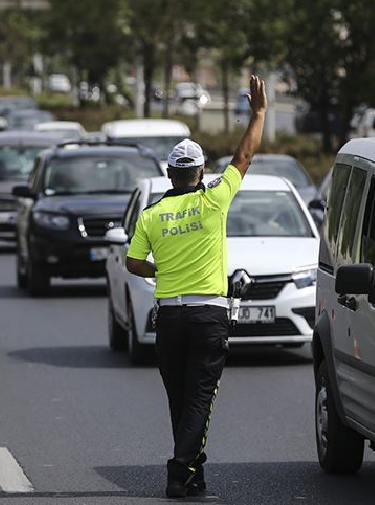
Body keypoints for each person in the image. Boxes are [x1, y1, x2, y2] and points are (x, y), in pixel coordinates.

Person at [126, 75, 267, 498]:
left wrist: (160, 270)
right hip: (209, 317)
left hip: (168, 317)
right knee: (199, 400)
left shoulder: (152, 214)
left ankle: (193, 473)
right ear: (201, 172)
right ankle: (178, 470)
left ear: (169, 174)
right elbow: (244, 156)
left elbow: (132, 262)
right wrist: (259, 112)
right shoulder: (214, 200)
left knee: (180, 399)